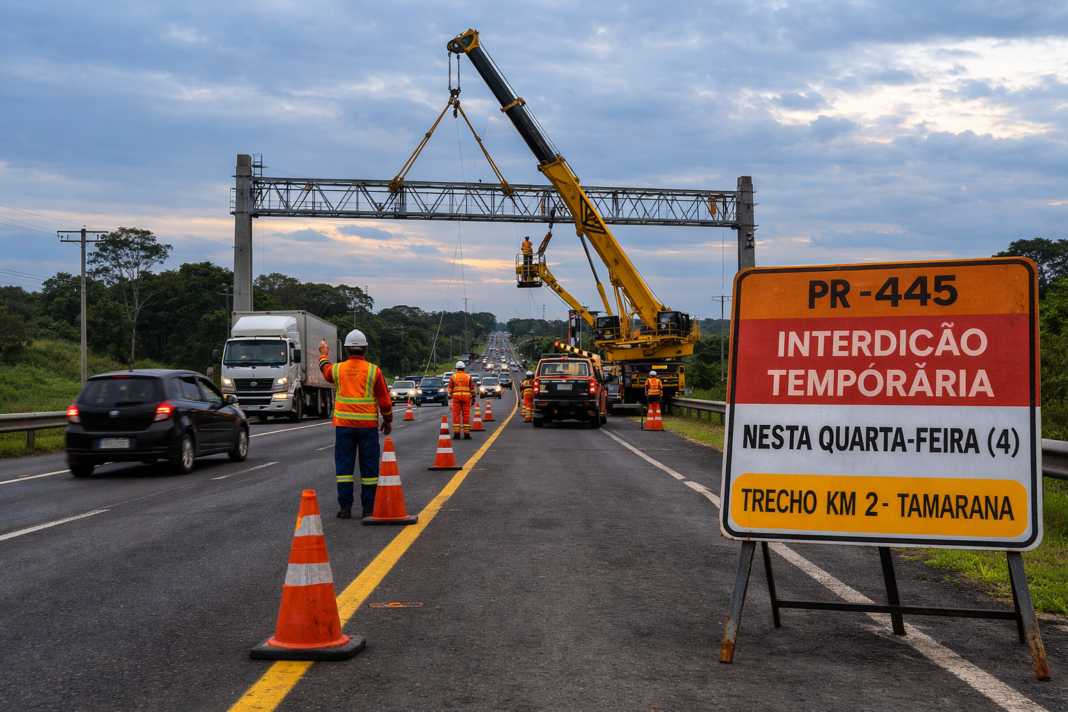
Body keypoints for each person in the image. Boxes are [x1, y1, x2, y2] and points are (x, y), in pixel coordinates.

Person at [318, 331, 393, 520]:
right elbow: (384, 400)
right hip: (367, 427)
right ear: (366, 349)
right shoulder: (374, 371)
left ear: (346, 349)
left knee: (344, 466)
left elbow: (325, 370)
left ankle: (345, 508)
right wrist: (388, 420)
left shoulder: (338, 369)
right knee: (369, 467)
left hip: (344, 426)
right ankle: (368, 508)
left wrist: (324, 353)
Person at [449, 360, 474, 439]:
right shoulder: (468, 376)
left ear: (456, 369)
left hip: (456, 397)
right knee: (466, 415)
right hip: (466, 397)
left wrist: (449, 398)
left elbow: (450, 389)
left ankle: (457, 434)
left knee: (456, 414)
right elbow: (472, 389)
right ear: (464, 368)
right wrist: (473, 398)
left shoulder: (453, 377)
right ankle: (466, 434)